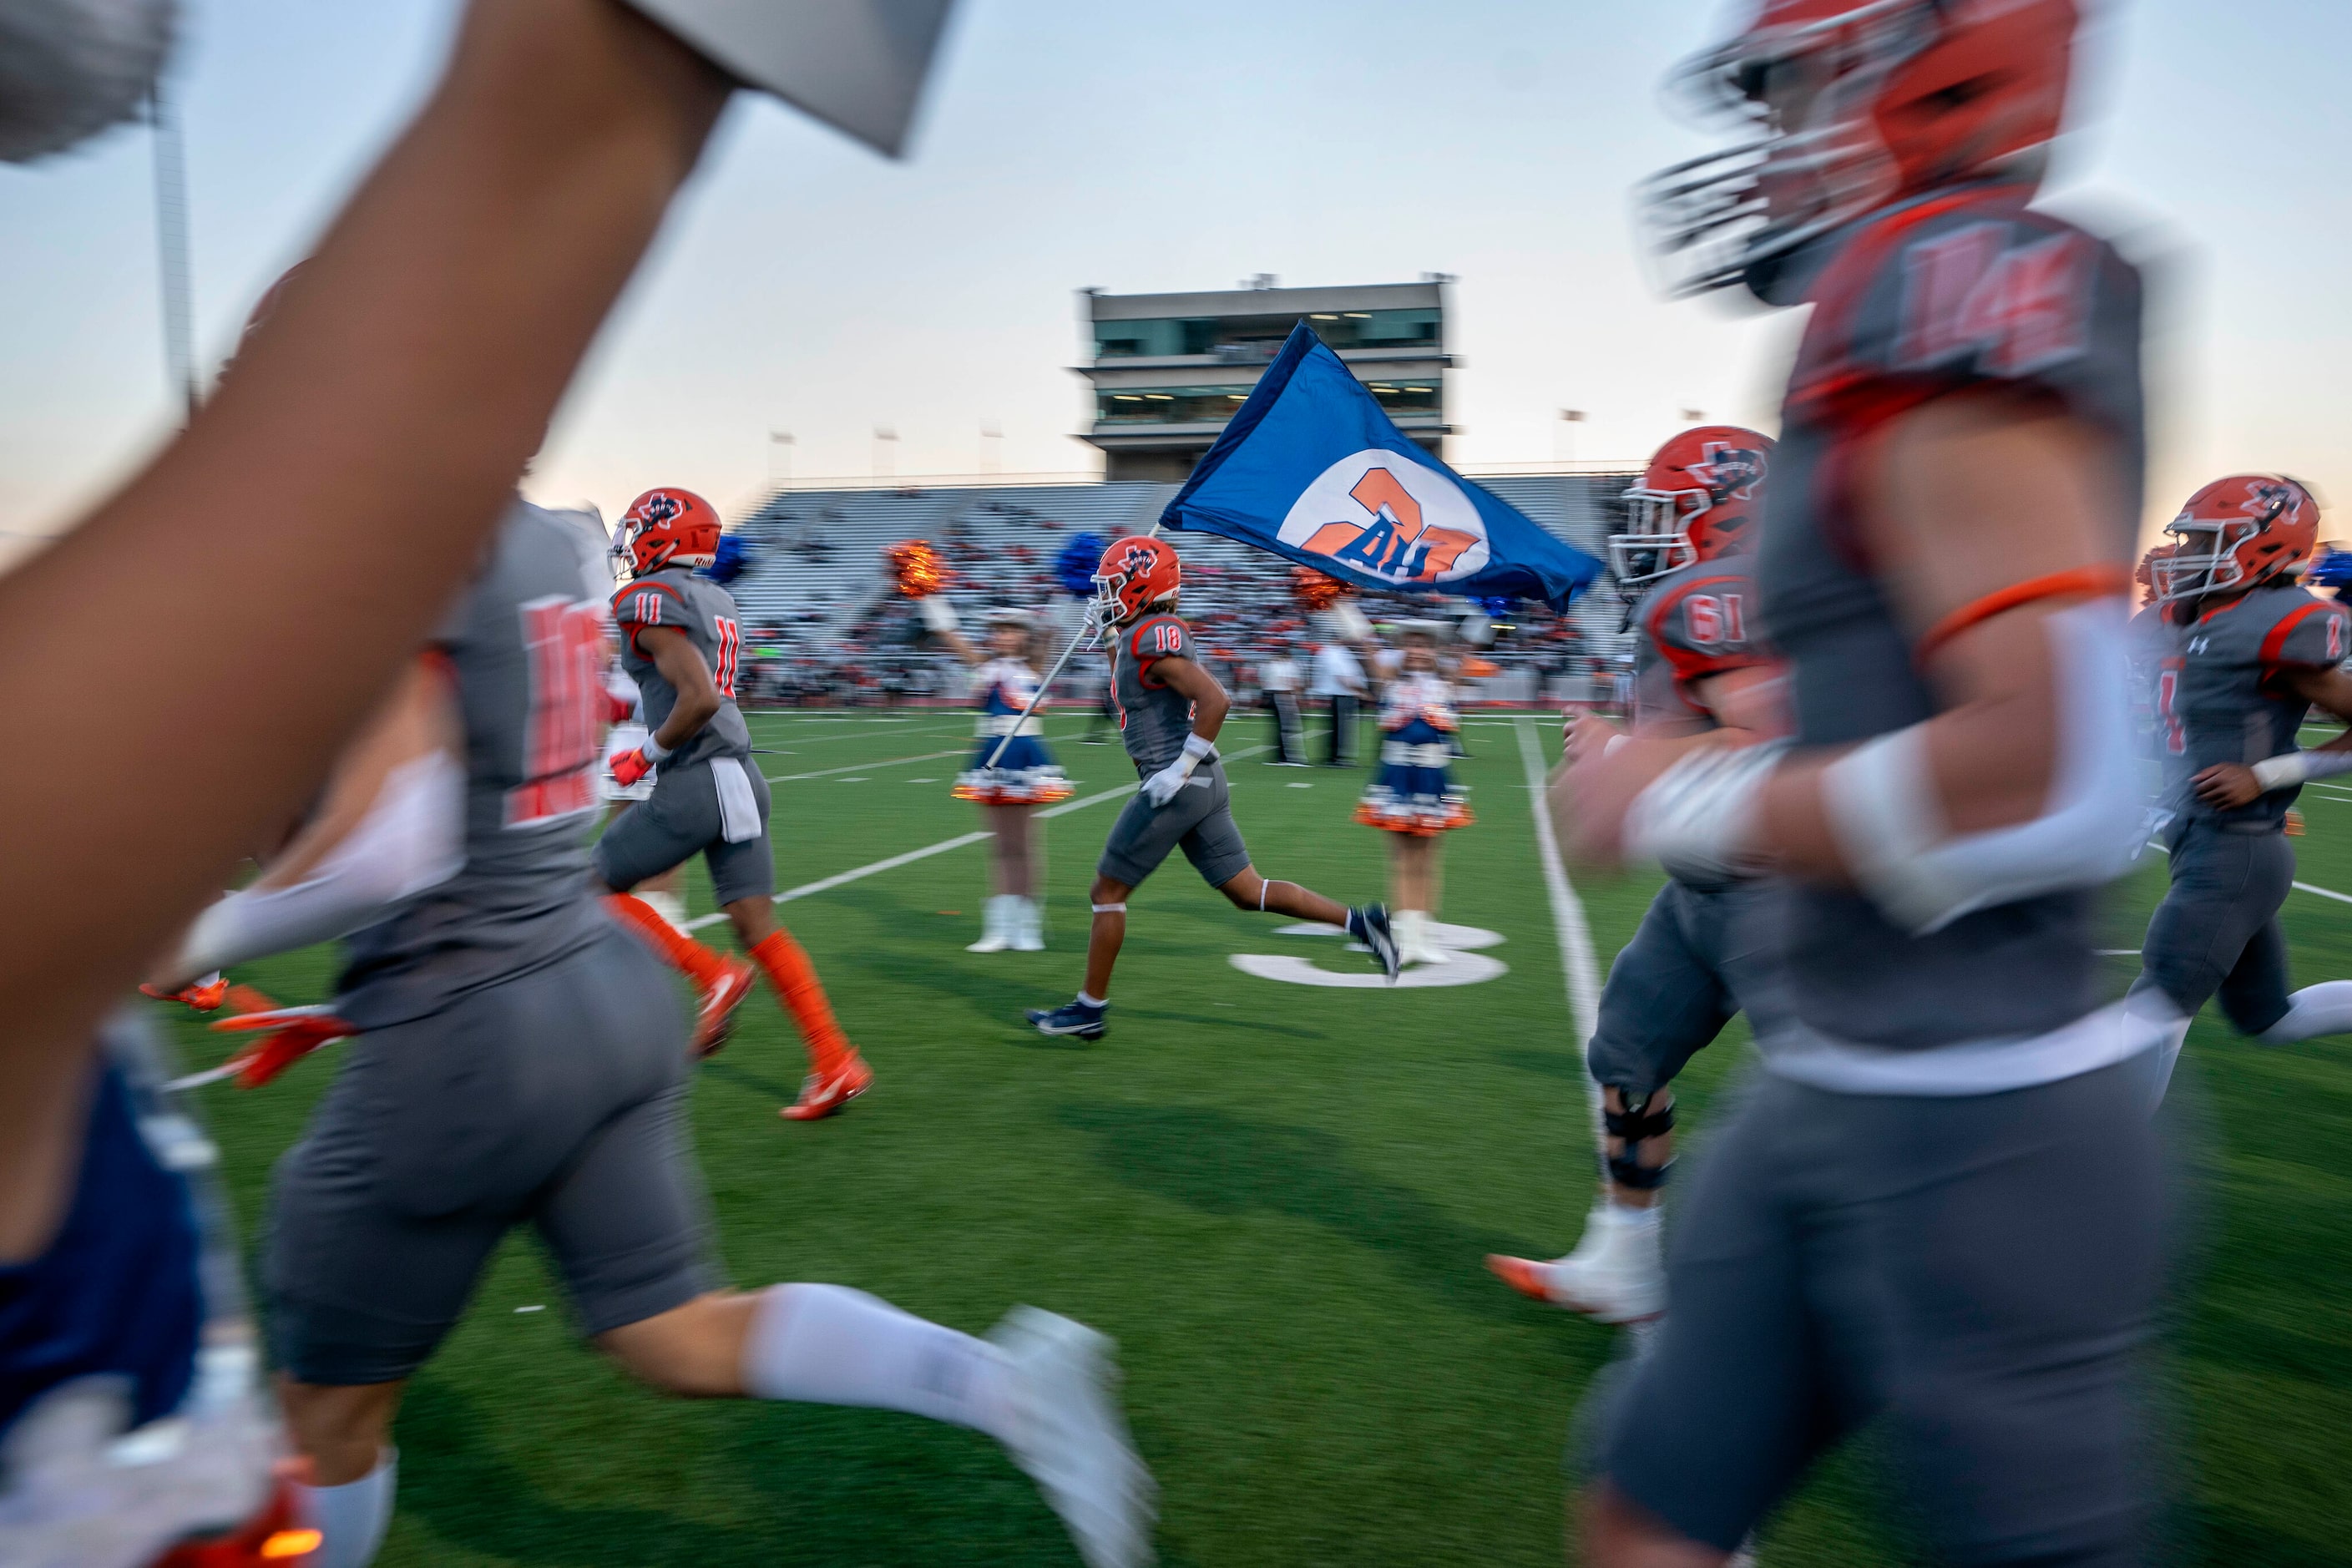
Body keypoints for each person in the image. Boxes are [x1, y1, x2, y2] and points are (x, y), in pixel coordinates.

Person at [139, 499, 1155, 1568]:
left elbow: (388, 853)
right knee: (672, 1328)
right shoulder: (543, 548)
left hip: (468, 1036)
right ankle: (999, 1383)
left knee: (325, 1418)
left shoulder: (399, 543)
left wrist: (185, 939)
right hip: (599, 991)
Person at [1570, 1, 2170, 1560]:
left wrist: (1673, 797)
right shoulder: (1872, 308)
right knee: (1640, 1514)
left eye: (1788, 90)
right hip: (1826, 1084)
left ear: (1925, 59)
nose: (1765, 142)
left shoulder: (1937, 283)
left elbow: (2064, 771)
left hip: (1982, 1128)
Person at [1488, 426, 1782, 1325]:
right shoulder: (1692, 596)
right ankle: (1626, 1258)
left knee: (1840, 1114)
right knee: (1626, 1053)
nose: (1644, 532)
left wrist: (1627, 756)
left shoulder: (1726, 595)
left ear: (1726, 512)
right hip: (1702, 889)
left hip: (1784, 898)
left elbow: (1774, 742)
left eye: (1666, 512)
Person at [1028, 537, 1399, 1039]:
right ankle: (1362, 922)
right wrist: (1110, 636)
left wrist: (1178, 768)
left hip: (1177, 782)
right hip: (1202, 782)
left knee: (1107, 892)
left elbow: (1215, 699)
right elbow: (1141, 683)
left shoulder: (1152, 635)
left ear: (1142, 586)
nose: (1106, 595)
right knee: (1248, 892)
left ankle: (1089, 1009)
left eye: (1114, 585)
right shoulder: (1139, 635)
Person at [594, 488, 873, 1121]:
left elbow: (696, 699)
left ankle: (708, 973)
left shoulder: (645, 598)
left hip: (694, 775)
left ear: (660, 536)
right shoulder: (714, 596)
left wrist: (645, 756)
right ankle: (833, 1062)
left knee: (589, 886)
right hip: (741, 776)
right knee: (756, 925)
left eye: (637, 532)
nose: (629, 546)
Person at [2132, 476, 2352, 1060]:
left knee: (2153, 1010)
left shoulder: (2275, 622)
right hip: (2194, 836)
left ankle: (2080, 1154)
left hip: (2237, 848)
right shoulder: (2183, 617)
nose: (2184, 555)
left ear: (2260, 548)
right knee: (2267, 1017)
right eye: (2188, 542)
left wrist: (2266, 775)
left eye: (2204, 543)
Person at [926, 602, 1073, 953]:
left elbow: (1058, 629)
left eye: (1009, 629)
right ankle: (999, 928)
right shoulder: (984, 666)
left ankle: (1027, 926)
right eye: (997, 630)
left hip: (1026, 756)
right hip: (991, 756)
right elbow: (949, 634)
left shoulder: (1036, 665)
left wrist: (1074, 593)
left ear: (1024, 635)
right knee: (1000, 845)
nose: (1001, 636)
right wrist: (927, 595)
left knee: (1024, 844)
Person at [1353, 622, 1474, 968]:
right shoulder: (1389, 682)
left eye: (1426, 646)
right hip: (1397, 780)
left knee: (1429, 860)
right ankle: (1406, 938)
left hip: (1434, 780)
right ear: (1403, 649)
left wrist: (1490, 607)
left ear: (1435, 651)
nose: (1419, 651)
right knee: (1403, 859)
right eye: (1412, 644)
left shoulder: (1446, 684)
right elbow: (1366, 645)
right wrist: (1337, 604)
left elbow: (1469, 650)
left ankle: (1425, 937)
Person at [1308, 637, 1368, 766]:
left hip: (1343, 694)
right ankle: (1337, 757)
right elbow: (1342, 677)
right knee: (1341, 729)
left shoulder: (1335, 652)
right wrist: (1362, 693)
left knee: (1339, 728)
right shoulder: (1334, 653)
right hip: (1341, 694)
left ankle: (1335, 756)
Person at [1257, 640, 1309, 765]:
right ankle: (1287, 756)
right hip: (1284, 696)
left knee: (1282, 728)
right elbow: (1292, 682)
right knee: (1287, 728)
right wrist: (1298, 696)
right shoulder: (1286, 664)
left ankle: (1282, 755)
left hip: (1276, 695)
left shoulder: (1270, 664)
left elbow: (1264, 682)